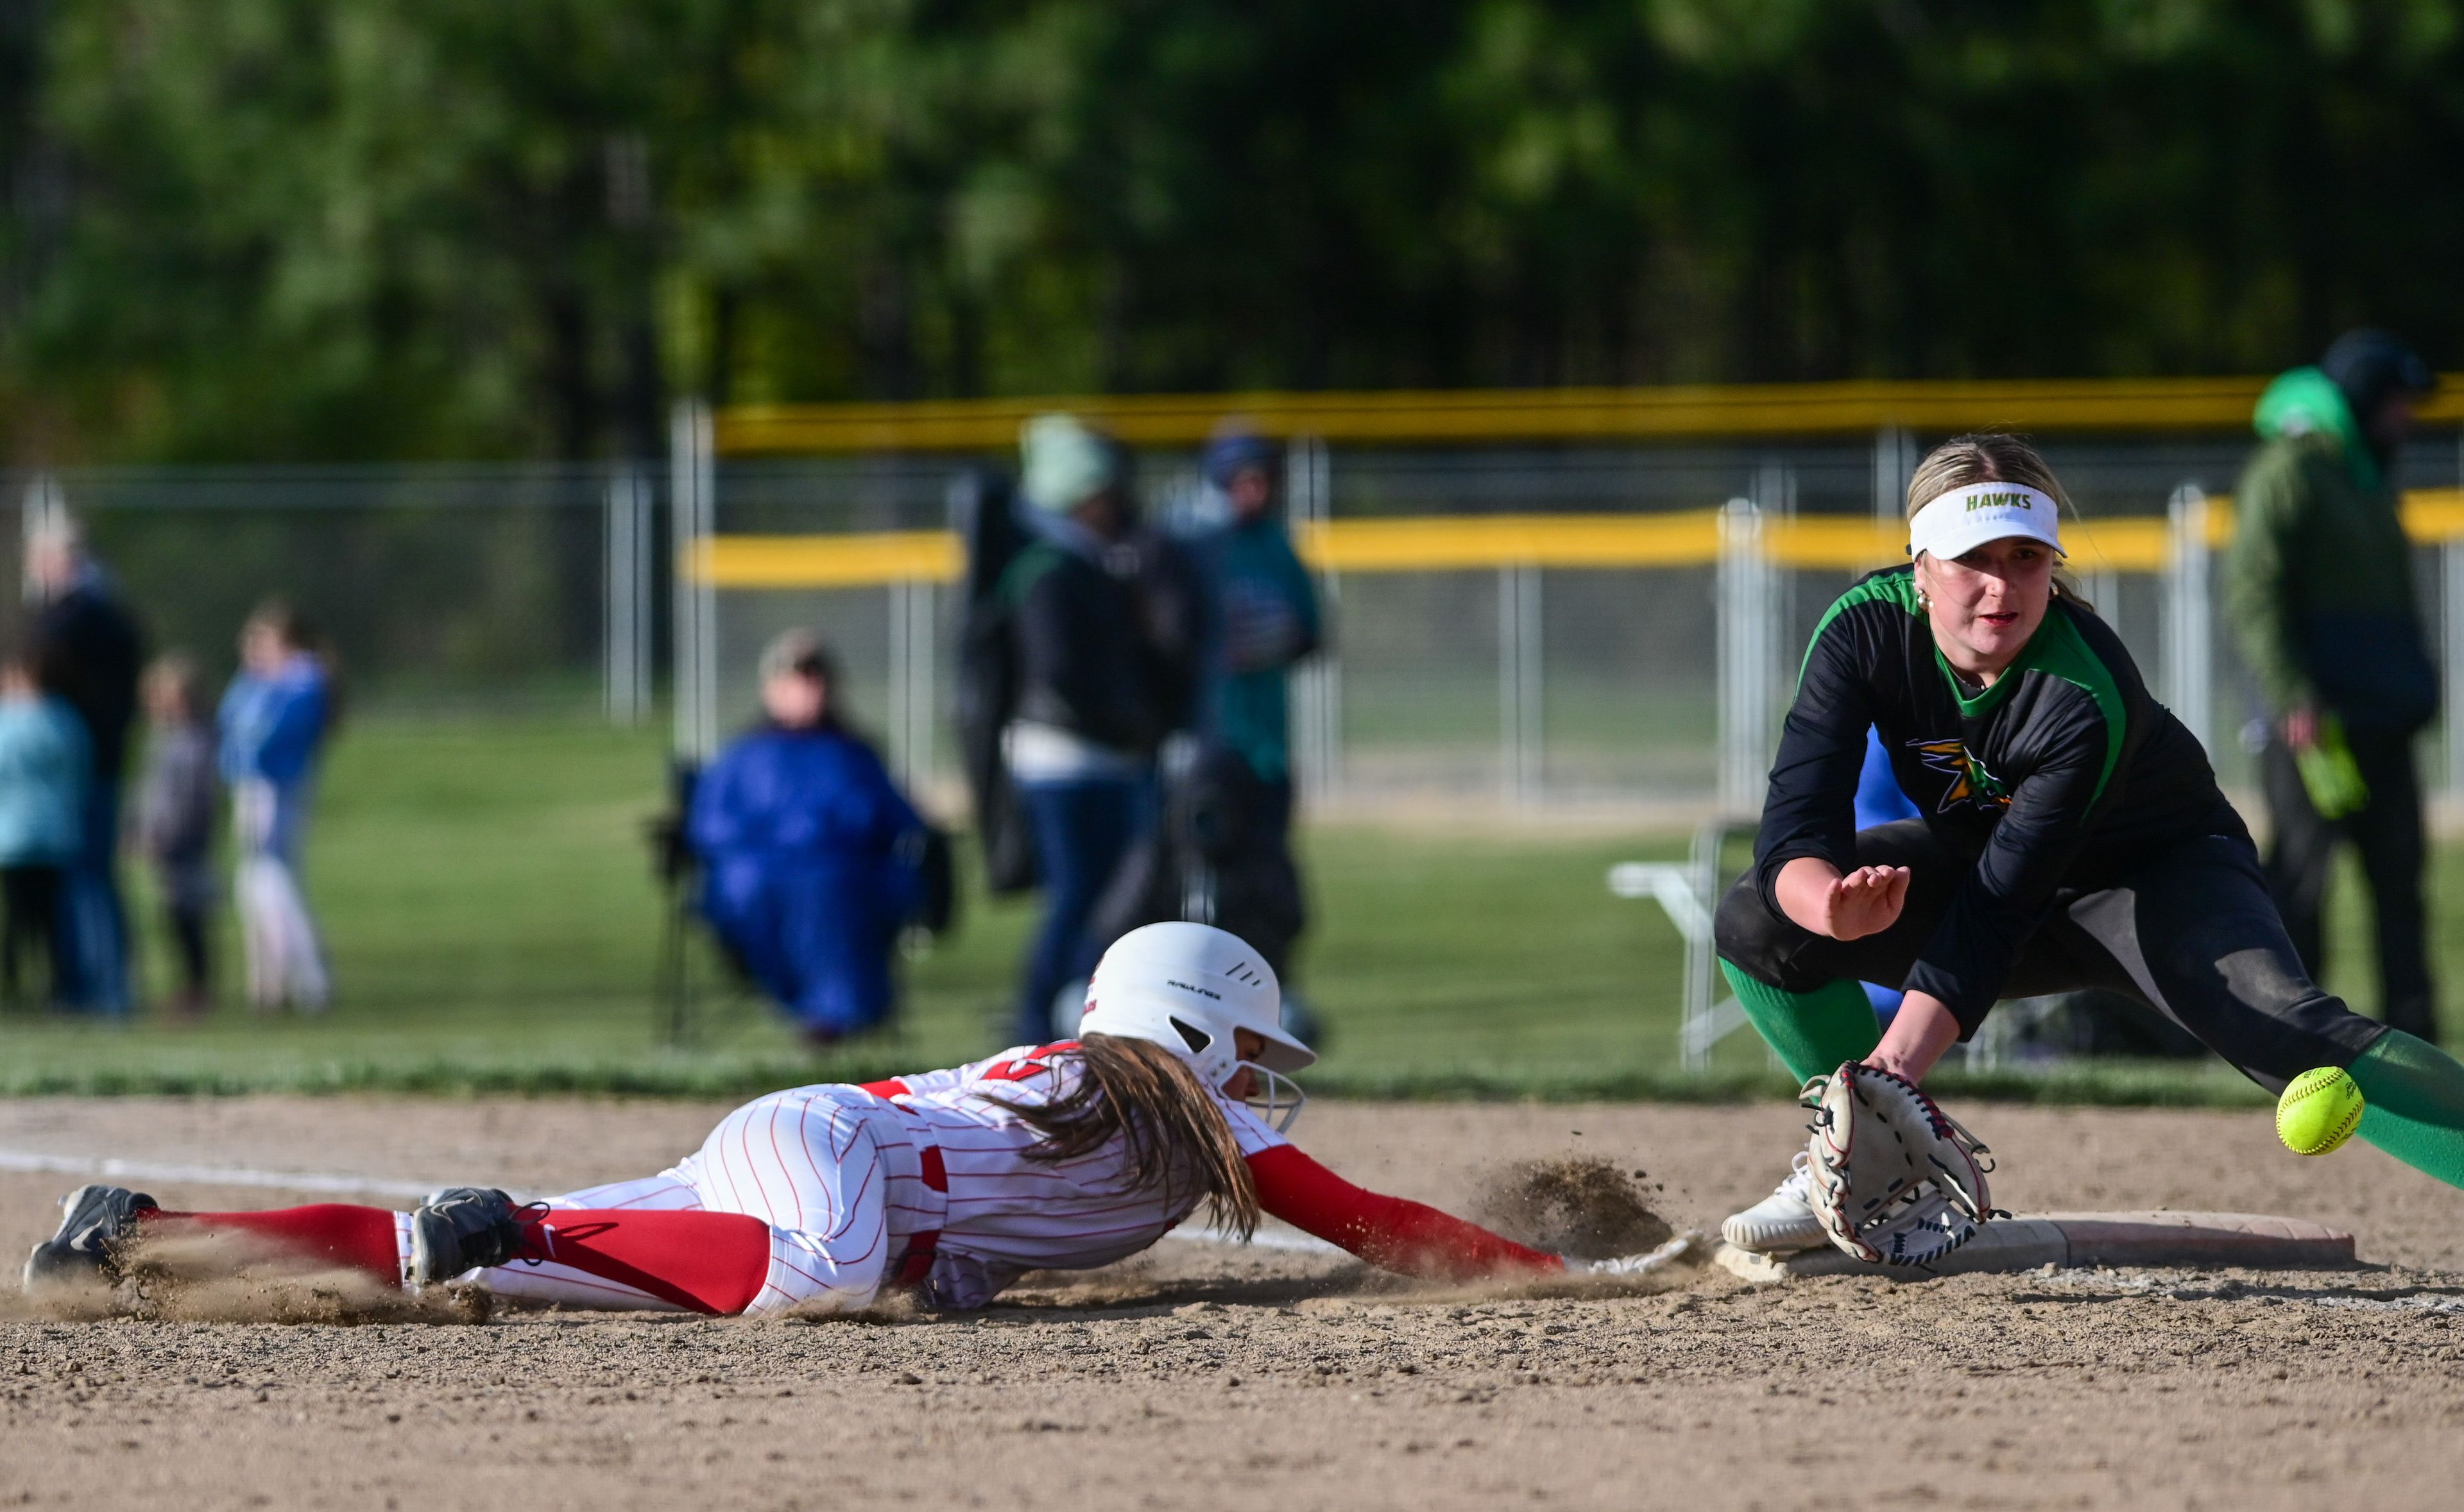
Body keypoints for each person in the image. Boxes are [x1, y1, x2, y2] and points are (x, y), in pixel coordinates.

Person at [1712, 433, 2464, 1258]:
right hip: (1989, 865)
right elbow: (1797, 819)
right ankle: (1856, 1164)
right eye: (1973, 560)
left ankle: (1860, 1135)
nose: (2002, 586)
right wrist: (1824, 903)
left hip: (2153, 879)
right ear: (1919, 566)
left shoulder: (2081, 690)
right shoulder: (1862, 628)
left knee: (2284, 1028)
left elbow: (1996, 914)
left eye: (2027, 558)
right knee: (1760, 922)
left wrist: (1887, 1076)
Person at [26, 922, 1593, 1313]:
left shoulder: (1136, 1094)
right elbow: (1381, 1227)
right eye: (1237, 1042)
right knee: (818, 1278)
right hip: (819, 1154)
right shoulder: (1187, 1116)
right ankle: (513, 1216)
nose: (1258, 1073)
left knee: (460, 1268)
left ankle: (142, 1233)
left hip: (782, 1154)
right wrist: (1569, 1273)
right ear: (1179, 1027)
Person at [2224, 330, 2442, 1042]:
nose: (2406, 418)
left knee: (2401, 887)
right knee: (2301, 885)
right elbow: (2256, 591)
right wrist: (2292, 696)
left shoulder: (2367, 477)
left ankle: (2416, 1043)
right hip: (2317, 724)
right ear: (2362, 401)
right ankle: (2291, 1035)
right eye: (2396, 403)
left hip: (2382, 719)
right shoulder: (2291, 470)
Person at [998, 414, 1176, 1042]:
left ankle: (1073, 1022)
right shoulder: (1048, 568)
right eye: (1105, 494)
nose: (1118, 506)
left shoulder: (1092, 564)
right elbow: (1058, 674)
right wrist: (1129, 722)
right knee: (1077, 896)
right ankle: (1031, 1028)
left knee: (1106, 900)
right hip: (1063, 761)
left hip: (1101, 759)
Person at [687, 629, 930, 1046]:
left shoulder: (853, 753)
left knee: (836, 887)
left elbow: (900, 821)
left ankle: (839, 1013)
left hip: (845, 870)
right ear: (772, 688)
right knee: (766, 888)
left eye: (816, 678)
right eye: (797, 678)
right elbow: (712, 826)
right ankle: (823, 1009)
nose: (808, 689)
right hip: (764, 872)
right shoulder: (744, 755)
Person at [23, 513, 142, 1015]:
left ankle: (103, 989)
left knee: (87, 876)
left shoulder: (77, 620)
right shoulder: (106, 615)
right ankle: (90, 986)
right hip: (92, 763)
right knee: (85, 876)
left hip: (81, 767)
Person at [218, 601, 334, 1014]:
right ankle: (269, 985)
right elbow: (228, 719)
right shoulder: (263, 683)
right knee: (253, 885)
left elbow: (261, 736)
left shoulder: (302, 682)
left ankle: (310, 982)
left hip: (277, 788)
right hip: (254, 787)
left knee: (273, 881)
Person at [0, 648, 88, 1008]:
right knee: (52, 919)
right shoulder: (64, 720)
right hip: (55, 830)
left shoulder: (9, 722)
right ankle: (58, 988)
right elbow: (81, 768)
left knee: (17, 918)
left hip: (12, 833)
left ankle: (12, 986)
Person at [133, 654, 220, 1015]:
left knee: (191, 918)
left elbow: (196, 799)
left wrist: (173, 836)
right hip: (163, 842)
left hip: (185, 845)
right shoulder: (161, 741)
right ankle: (185, 987)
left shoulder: (199, 743)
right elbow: (146, 790)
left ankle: (198, 989)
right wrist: (135, 828)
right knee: (171, 918)